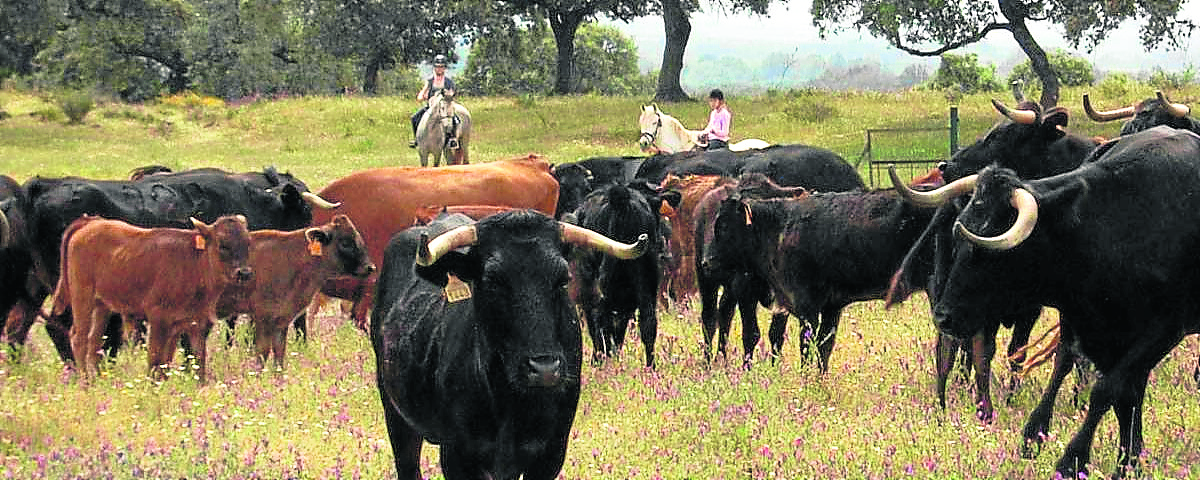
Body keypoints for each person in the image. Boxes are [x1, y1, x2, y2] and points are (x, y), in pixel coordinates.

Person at [410, 54, 456, 148]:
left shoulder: (448, 81)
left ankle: (452, 139)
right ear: (434, 68)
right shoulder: (430, 80)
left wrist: (448, 95)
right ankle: (417, 139)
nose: (439, 69)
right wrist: (421, 96)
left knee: (455, 119)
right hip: (431, 106)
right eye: (437, 67)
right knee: (414, 118)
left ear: (444, 68)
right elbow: (424, 90)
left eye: (441, 67)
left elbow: (452, 93)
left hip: (445, 106)